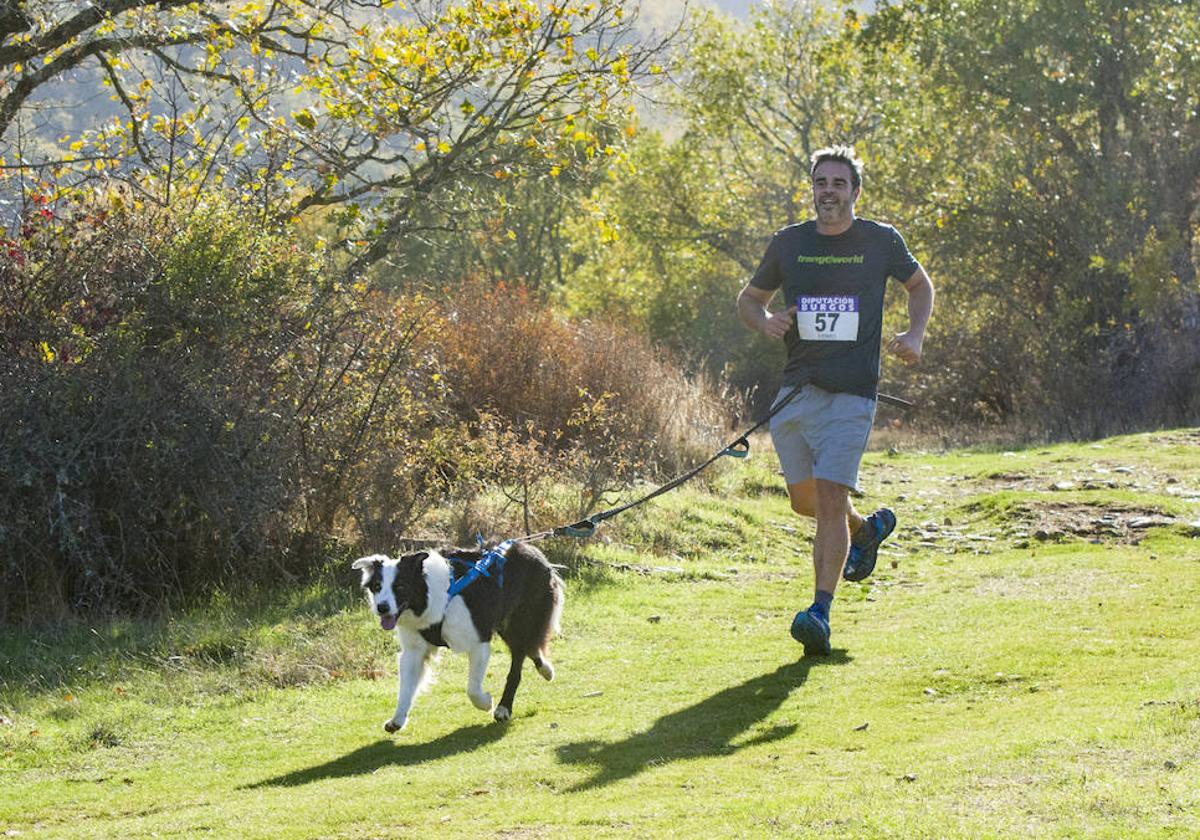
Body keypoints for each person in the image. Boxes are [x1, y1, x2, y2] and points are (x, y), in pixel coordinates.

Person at [736, 145, 934, 655]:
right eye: (821, 182)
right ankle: (865, 531)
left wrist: (914, 334)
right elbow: (749, 299)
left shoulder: (880, 240)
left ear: (855, 191)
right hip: (796, 391)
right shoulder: (789, 243)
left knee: (827, 499)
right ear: (813, 188)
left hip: (852, 394)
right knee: (806, 501)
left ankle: (819, 612)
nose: (828, 191)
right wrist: (765, 323)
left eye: (838, 183)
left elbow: (919, 285)